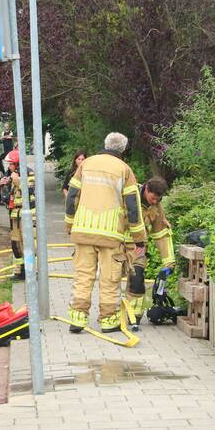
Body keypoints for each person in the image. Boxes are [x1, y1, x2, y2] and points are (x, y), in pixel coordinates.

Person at [66, 132, 145, 334]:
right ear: (123, 149)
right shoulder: (124, 170)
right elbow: (133, 208)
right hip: (111, 235)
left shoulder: (86, 164)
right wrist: (139, 239)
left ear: (105, 144)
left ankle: (78, 319)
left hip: (83, 230)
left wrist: (70, 225)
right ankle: (109, 321)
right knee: (109, 279)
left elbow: (72, 195)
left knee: (83, 276)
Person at [124, 176, 176, 325]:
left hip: (138, 249)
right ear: (146, 189)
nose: (154, 202)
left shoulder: (156, 205)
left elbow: (161, 234)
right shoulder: (129, 196)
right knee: (110, 280)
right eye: (153, 198)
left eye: (158, 200)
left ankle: (134, 316)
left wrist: (169, 263)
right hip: (117, 246)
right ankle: (108, 314)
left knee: (137, 278)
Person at [0, 148, 35, 280]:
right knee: (16, 243)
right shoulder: (11, 174)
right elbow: (7, 195)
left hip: (27, 214)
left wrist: (17, 181)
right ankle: (19, 271)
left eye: (10, 164)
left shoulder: (28, 173)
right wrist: (2, 185)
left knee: (29, 243)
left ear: (17, 163)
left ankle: (31, 270)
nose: (9, 167)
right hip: (14, 214)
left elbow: (31, 191)